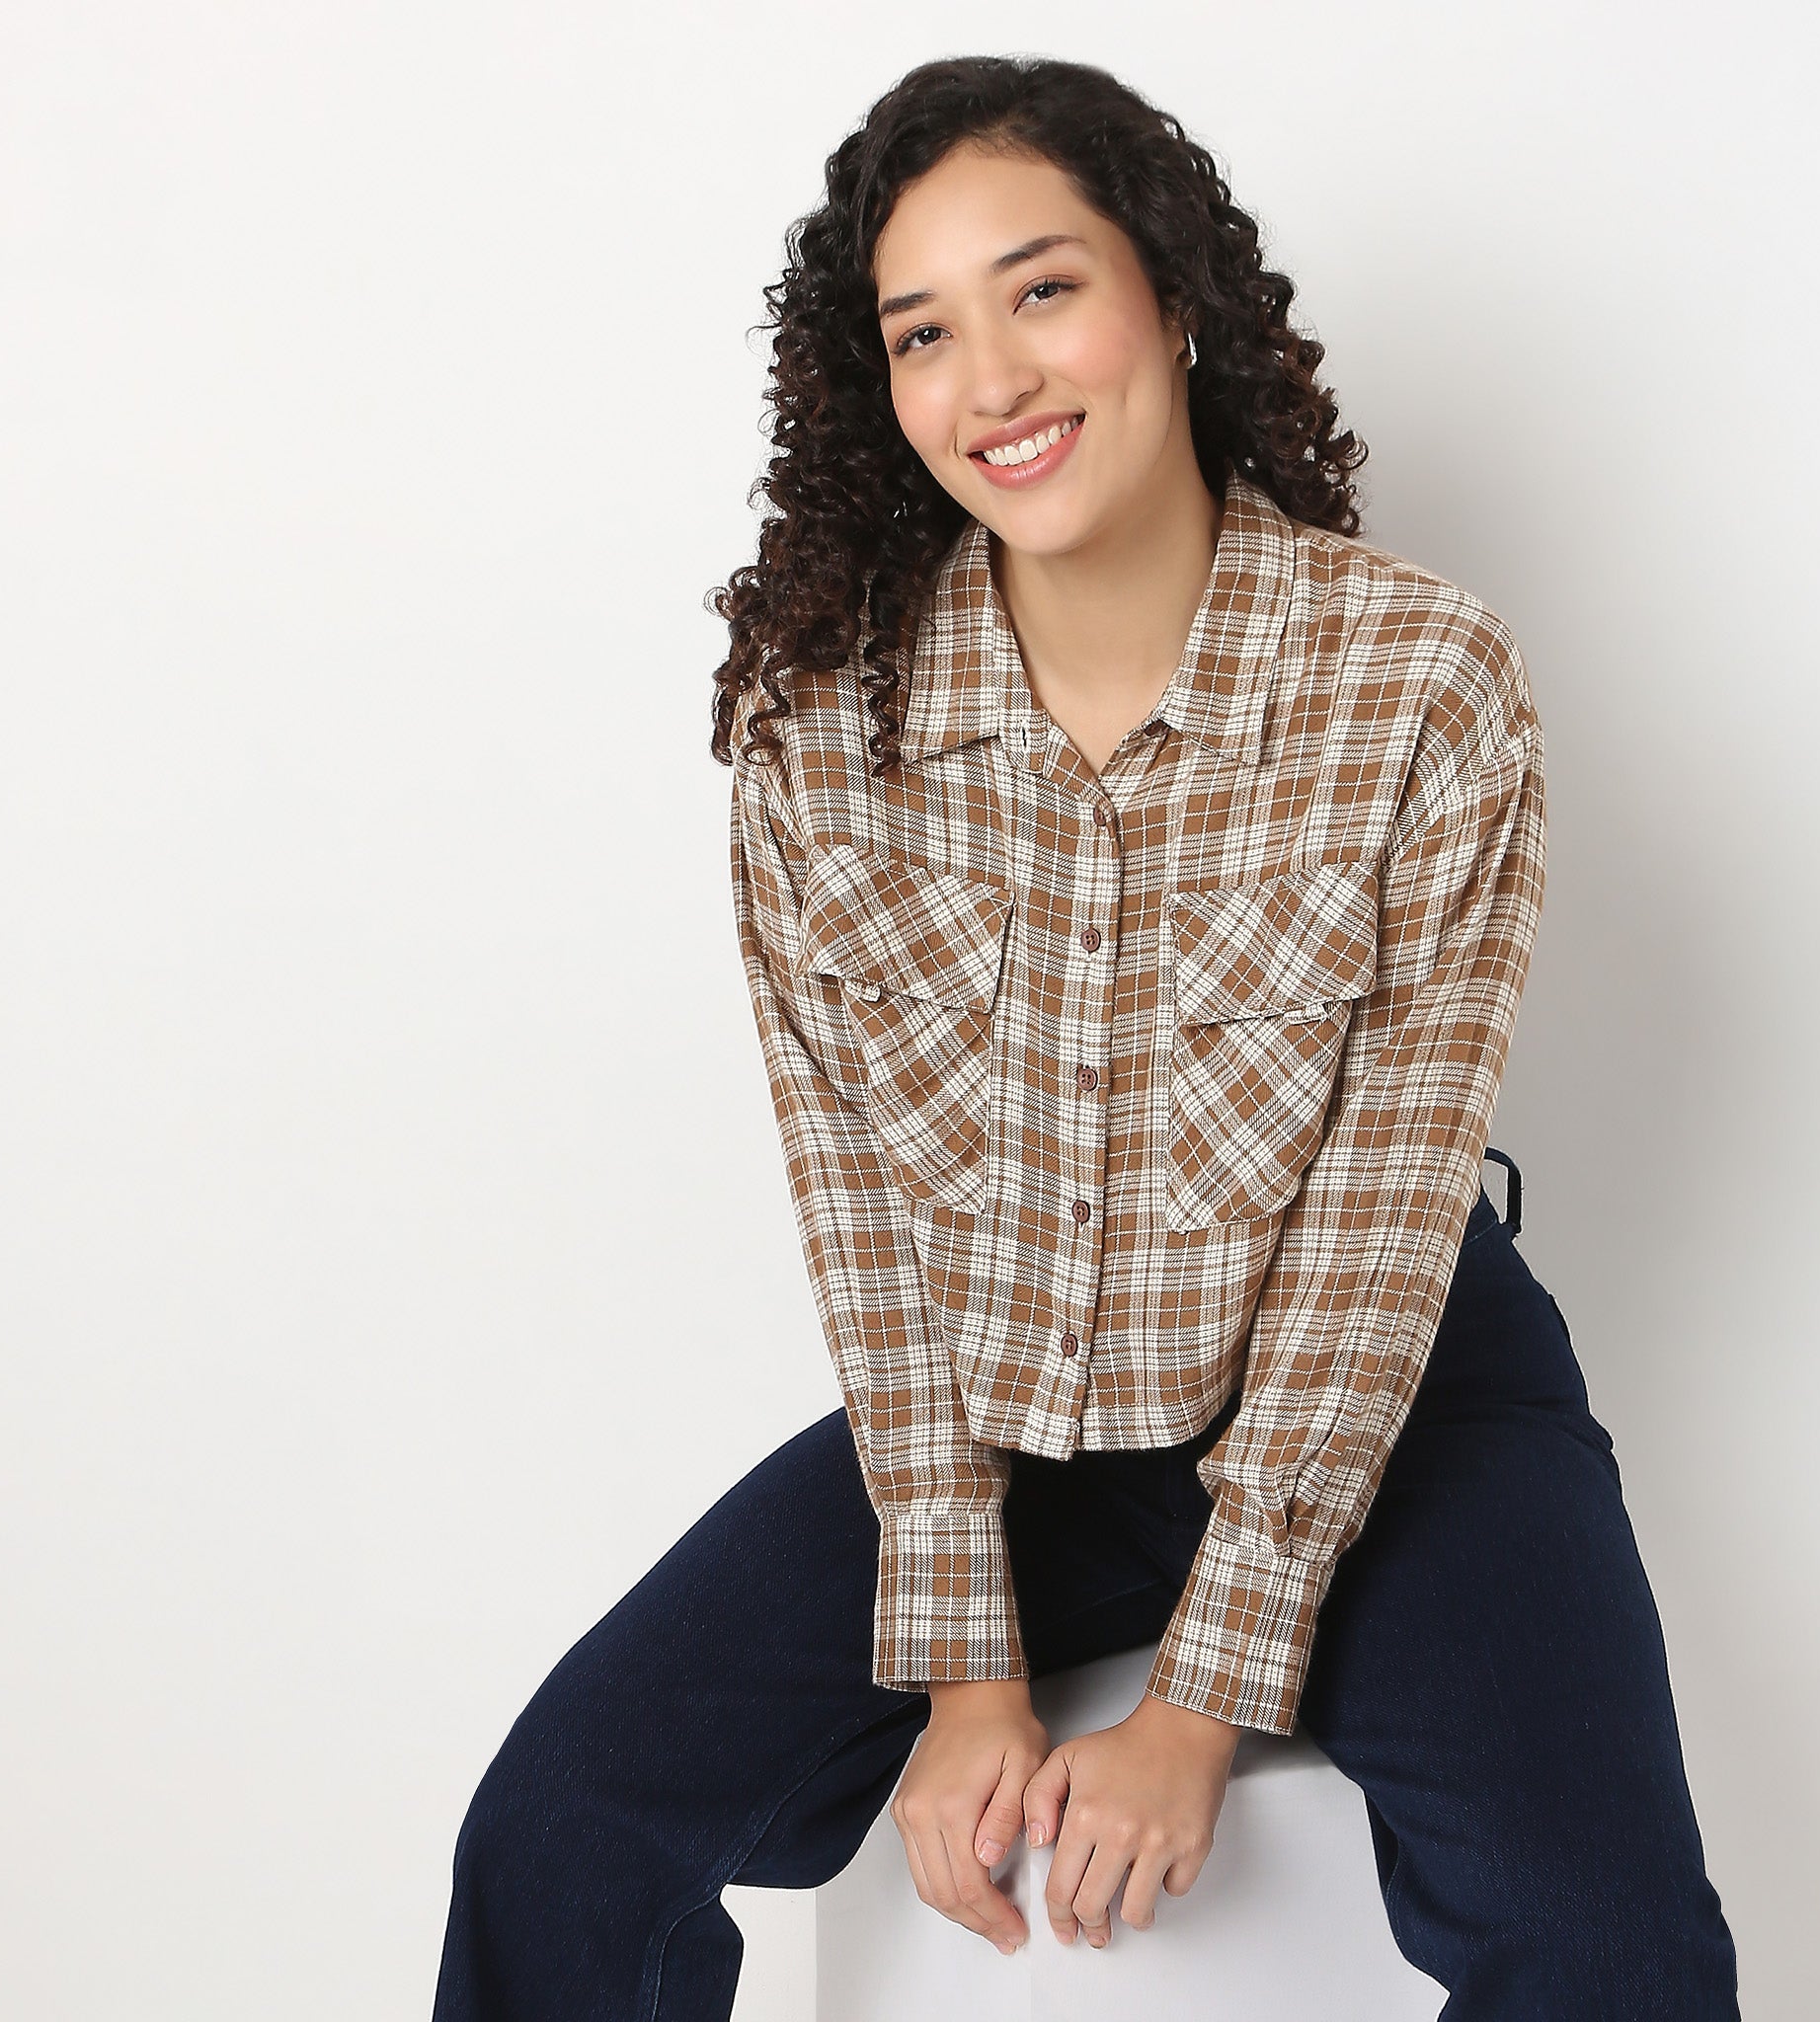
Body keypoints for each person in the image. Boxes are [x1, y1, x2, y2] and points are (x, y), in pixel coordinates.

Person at [432, 53, 1739, 2020]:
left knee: (1602, 1937)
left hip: (1397, 1396)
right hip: (1008, 1411)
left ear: (1173, 296)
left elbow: (1382, 1225)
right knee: (557, 1826)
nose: (993, 380)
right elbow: (870, 1234)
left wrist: (1201, 1703)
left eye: (1042, 289)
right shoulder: (819, 732)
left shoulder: (1417, 679)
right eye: (923, 333)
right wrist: (966, 1665)